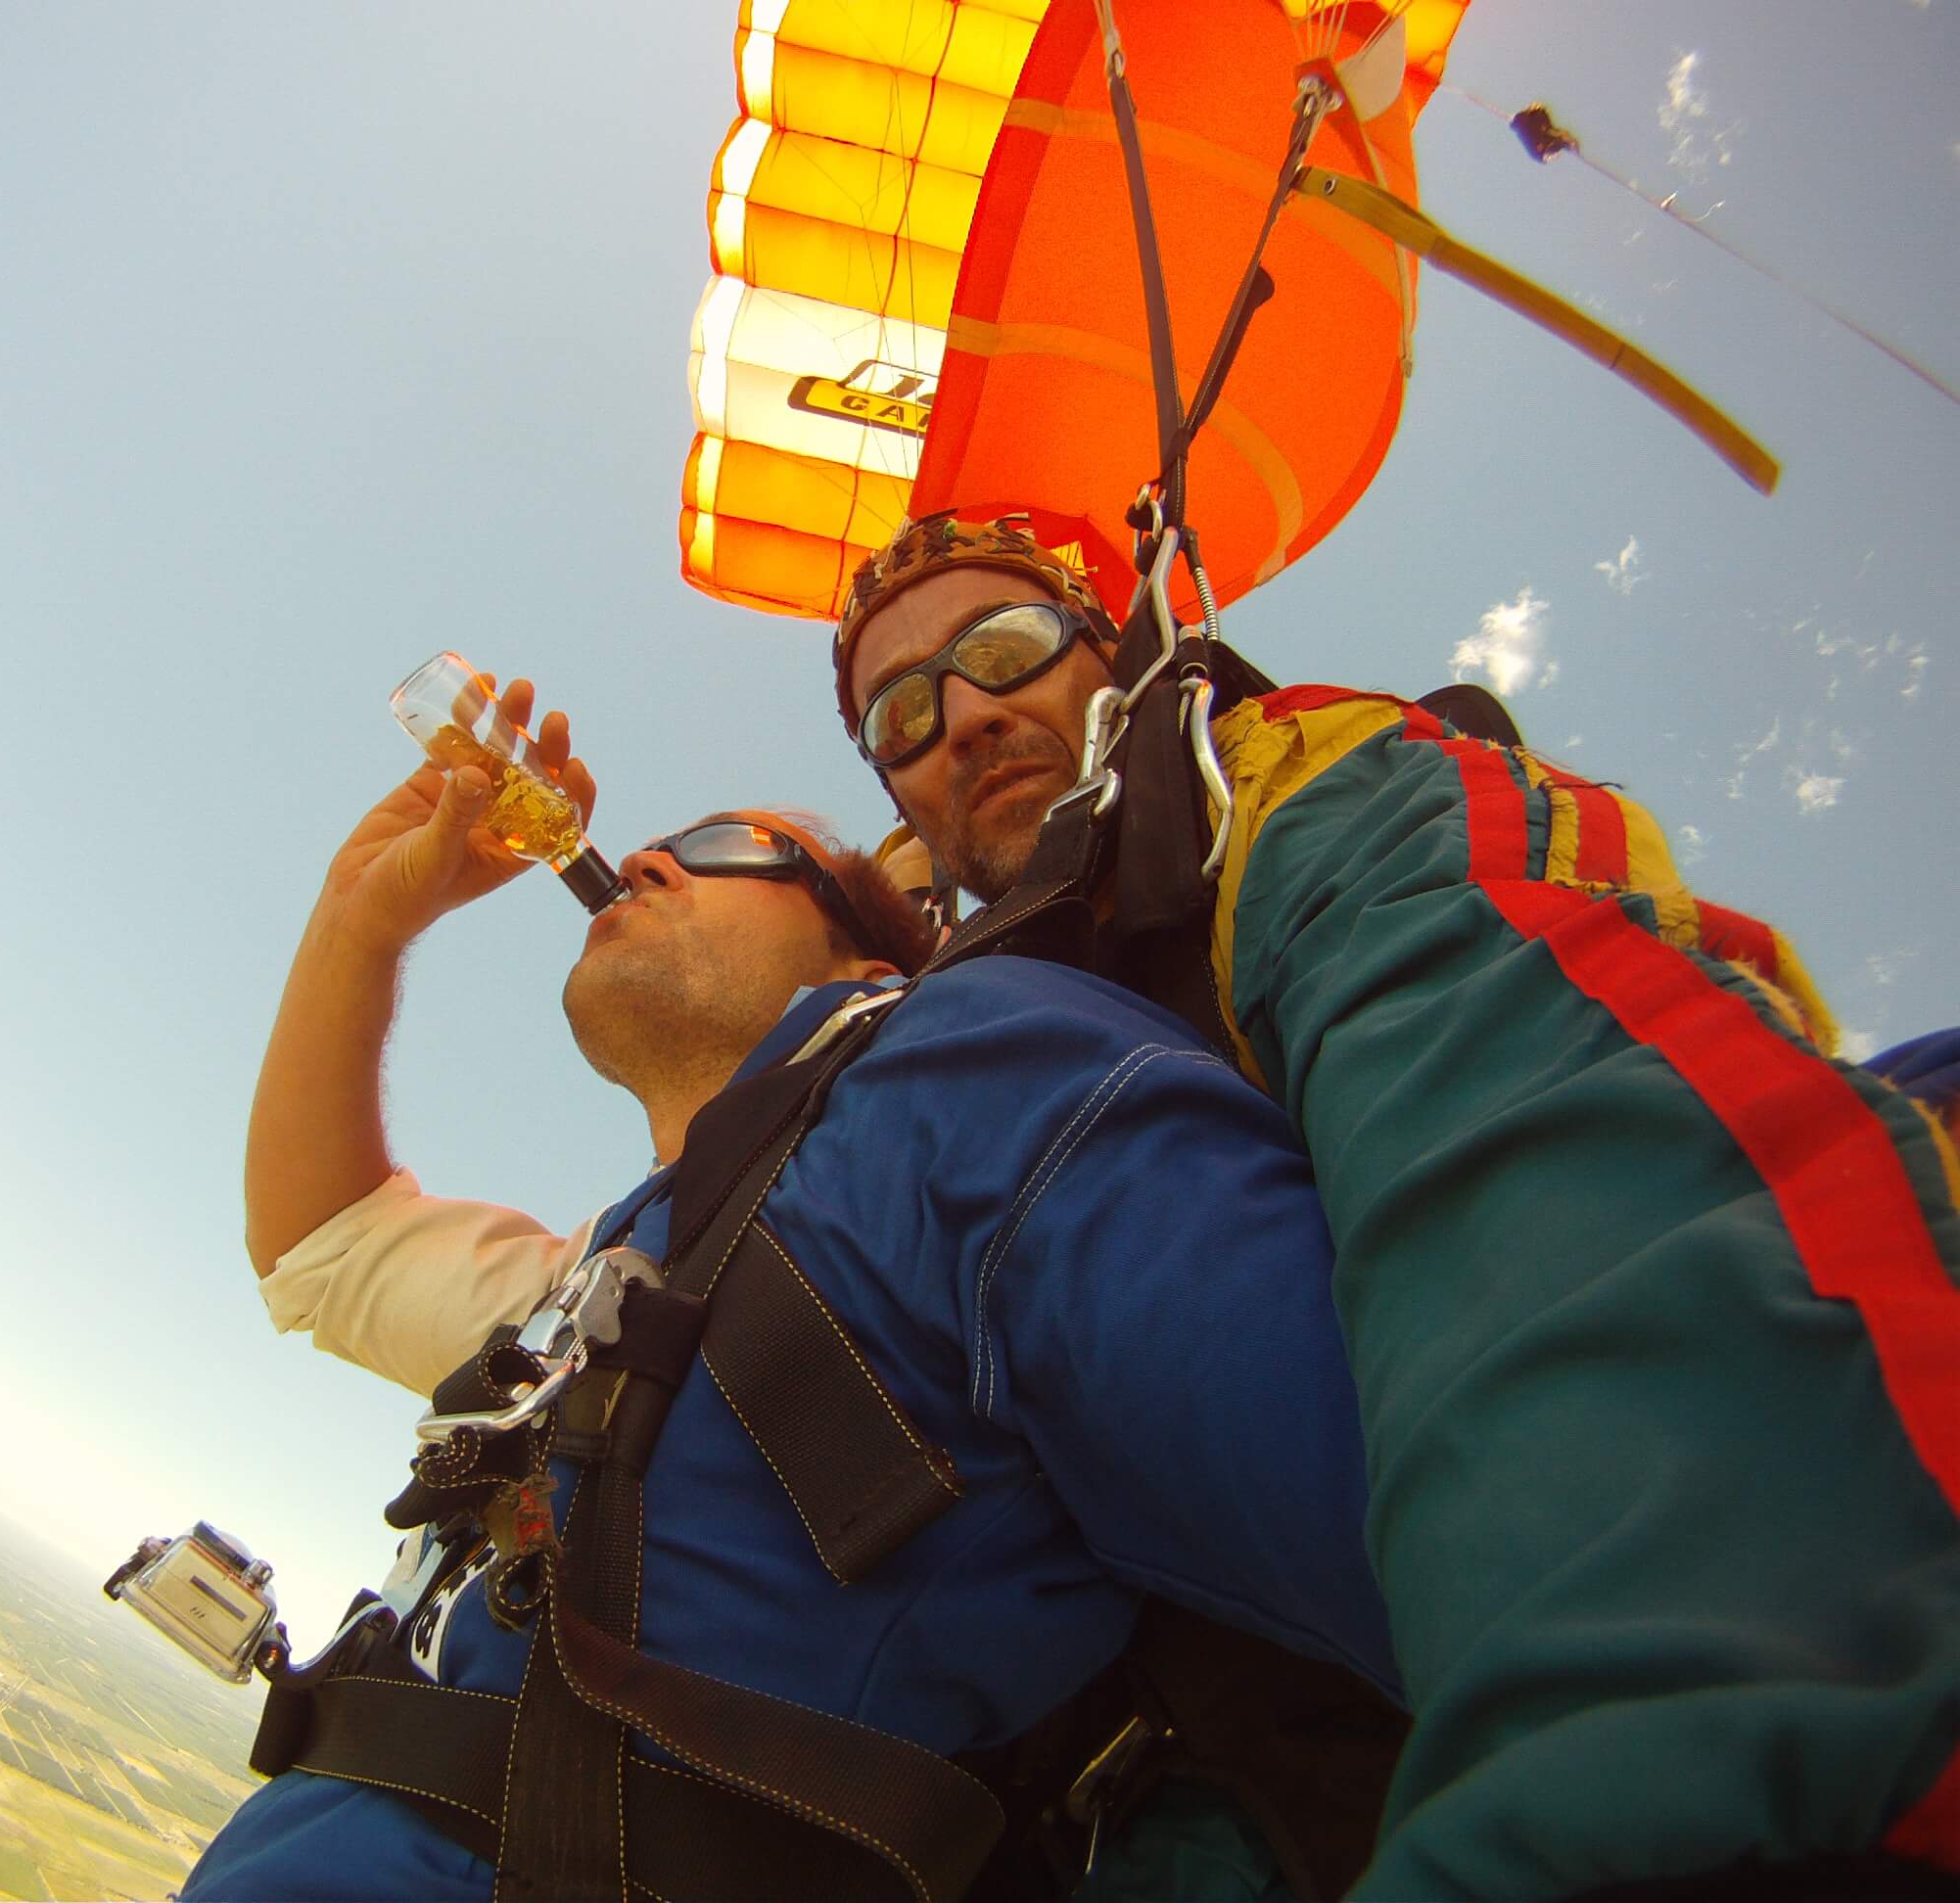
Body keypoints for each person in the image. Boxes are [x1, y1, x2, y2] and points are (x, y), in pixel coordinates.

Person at [832, 511, 1960, 1898]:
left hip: (1556, 1669)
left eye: (1002, 648)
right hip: (1164, 1798)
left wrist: (1707, 1740)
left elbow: (1513, 1098)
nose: (964, 717)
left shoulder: (1291, 789)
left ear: (1111, 654)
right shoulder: (930, 1034)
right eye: (901, 712)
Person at [188, 695, 1404, 1901]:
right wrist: (363, 918)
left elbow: (1408, 1532)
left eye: (731, 847)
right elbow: (323, 1247)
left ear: (869, 965)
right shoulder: (611, 1273)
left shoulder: (967, 1076)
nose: (654, 852)